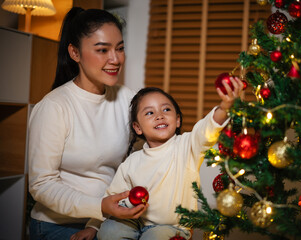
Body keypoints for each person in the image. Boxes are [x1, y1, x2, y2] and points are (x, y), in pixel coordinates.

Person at [28, 7, 147, 240]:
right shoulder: (54, 107)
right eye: (102, 50)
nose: (115, 59)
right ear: (75, 53)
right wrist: (99, 206)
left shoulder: (128, 99)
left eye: (120, 48)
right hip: (58, 225)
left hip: (106, 220)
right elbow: (41, 185)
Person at [95, 78, 243, 240]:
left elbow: (206, 128)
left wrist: (224, 107)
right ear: (137, 127)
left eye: (166, 110)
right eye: (150, 113)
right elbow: (112, 198)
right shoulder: (132, 161)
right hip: (136, 220)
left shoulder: (187, 146)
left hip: (172, 227)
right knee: (108, 231)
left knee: (156, 237)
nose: (159, 116)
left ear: (177, 119)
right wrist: (92, 226)